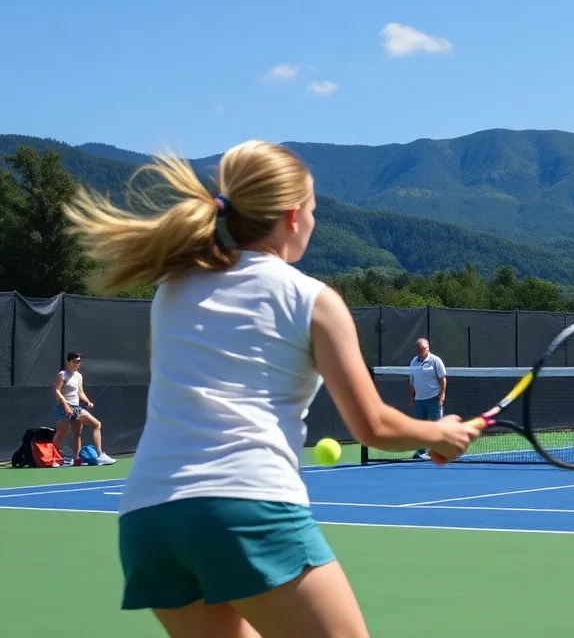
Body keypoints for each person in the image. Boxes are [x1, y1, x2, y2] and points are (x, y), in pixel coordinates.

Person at [63, 141, 480, 638]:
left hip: (147, 521)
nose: (314, 221)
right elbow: (372, 425)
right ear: (291, 217)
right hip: (246, 506)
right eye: (313, 210)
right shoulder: (313, 300)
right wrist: (440, 434)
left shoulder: (170, 291)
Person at [51, 351, 116, 466]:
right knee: (60, 433)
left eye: (79, 361)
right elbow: (57, 391)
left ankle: (87, 457)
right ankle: (53, 459)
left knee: (93, 426)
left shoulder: (79, 376)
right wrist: (65, 405)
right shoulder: (62, 375)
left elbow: (80, 392)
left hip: (76, 408)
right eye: (76, 361)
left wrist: (87, 401)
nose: (78, 364)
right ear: (69, 362)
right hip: (63, 407)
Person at [407, 338, 447, 460]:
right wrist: (412, 396)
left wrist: (442, 395)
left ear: (428, 348)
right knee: (421, 427)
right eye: (418, 348)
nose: (421, 350)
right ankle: (420, 452)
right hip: (419, 400)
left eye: (423, 348)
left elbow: (442, 379)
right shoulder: (413, 362)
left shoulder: (435, 360)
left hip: (433, 398)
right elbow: (412, 381)